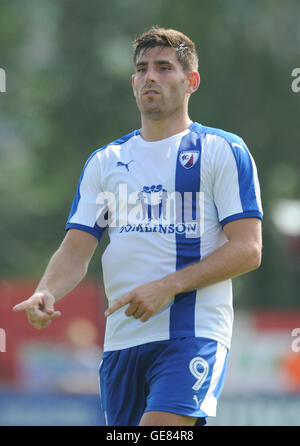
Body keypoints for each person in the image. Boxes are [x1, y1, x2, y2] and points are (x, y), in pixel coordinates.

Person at [13, 27, 263, 426]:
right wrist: (47, 290)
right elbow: (77, 248)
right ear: (133, 82)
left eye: (164, 68)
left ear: (191, 81)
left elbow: (248, 249)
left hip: (191, 335)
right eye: (142, 69)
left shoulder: (222, 150)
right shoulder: (105, 161)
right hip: (121, 343)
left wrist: (168, 286)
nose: (150, 77)